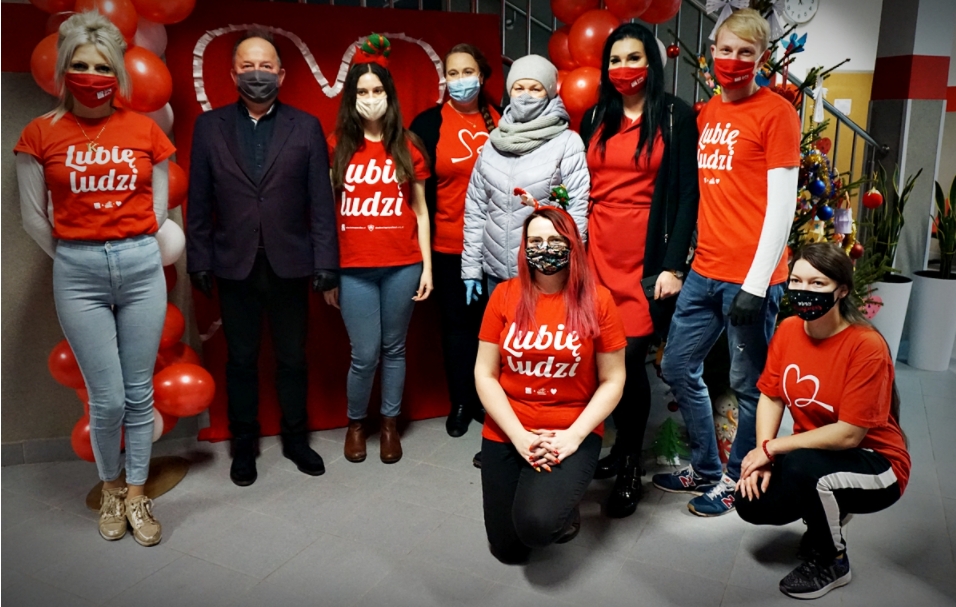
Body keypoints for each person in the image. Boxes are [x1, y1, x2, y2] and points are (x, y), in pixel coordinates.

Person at [14, 11, 174, 546]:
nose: (92, 75)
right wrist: (79, 253)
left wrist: (126, 245)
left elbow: (157, 210)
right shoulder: (40, 133)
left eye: (103, 66)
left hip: (141, 268)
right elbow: (34, 218)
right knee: (106, 399)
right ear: (64, 68)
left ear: (118, 73)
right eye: (81, 64)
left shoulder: (144, 129)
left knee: (139, 392)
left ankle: (137, 493)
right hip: (78, 273)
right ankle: (110, 487)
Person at [651, 9, 801, 517]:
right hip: (705, 270)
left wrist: (756, 285)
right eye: (726, 49)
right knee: (677, 365)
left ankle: (737, 478)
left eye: (746, 52)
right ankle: (706, 469)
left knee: (749, 384)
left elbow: (783, 206)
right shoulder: (709, 112)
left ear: (761, 58)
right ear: (712, 51)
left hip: (751, 278)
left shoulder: (776, 113)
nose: (733, 60)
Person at [186, 29, 338, 486]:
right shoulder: (209, 127)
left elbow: (320, 202)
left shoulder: (305, 126)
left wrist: (327, 263)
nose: (258, 74)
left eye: (266, 66)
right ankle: (244, 446)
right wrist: (198, 259)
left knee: (292, 358)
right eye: (248, 66)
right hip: (233, 265)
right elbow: (199, 200)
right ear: (233, 73)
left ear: (281, 74)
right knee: (241, 360)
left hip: (291, 264)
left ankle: (296, 439)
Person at [735, 243, 911, 600]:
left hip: (878, 465)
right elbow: (771, 394)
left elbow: (849, 435)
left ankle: (833, 560)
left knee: (802, 467)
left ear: (842, 290)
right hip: (818, 454)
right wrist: (764, 453)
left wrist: (773, 448)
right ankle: (825, 513)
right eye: (796, 280)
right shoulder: (788, 329)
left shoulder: (865, 345)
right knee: (751, 501)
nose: (804, 290)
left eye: (817, 283)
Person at [578, 23, 699, 518]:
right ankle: (614, 449)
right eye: (615, 59)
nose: (623, 68)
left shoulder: (674, 115)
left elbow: (688, 194)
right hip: (595, 251)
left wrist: (673, 265)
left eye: (633, 58)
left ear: (651, 62)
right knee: (598, 357)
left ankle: (629, 462)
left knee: (627, 358)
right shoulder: (594, 116)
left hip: (645, 257)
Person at [475, 206, 626, 564]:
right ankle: (543, 489)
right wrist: (519, 437)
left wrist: (573, 436)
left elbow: (613, 379)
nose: (545, 248)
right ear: (524, 246)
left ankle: (564, 505)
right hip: (509, 426)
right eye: (535, 241)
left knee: (538, 527)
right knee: (509, 550)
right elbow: (485, 373)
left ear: (573, 246)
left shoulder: (599, 300)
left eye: (556, 241)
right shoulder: (504, 295)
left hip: (569, 429)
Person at [463, 53, 589, 467]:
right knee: (504, 361)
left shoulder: (567, 142)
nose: (526, 95)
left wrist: (570, 266)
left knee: (543, 361)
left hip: (546, 273)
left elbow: (578, 210)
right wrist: (470, 267)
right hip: (498, 273)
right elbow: (476, 209)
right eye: (519, 87)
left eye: (536, 88)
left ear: (551, 92)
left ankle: (549, 438)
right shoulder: (491, 143)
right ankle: (504, 439)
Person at [325, 36, 433, 465]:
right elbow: (325, 213)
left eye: (377, 90)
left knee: (394, 348)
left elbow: (421, 211)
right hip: (354, 268)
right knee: (364, 353)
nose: (370, 98)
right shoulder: (336, 145)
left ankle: (389, 424)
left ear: (389, 94)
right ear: (351, 98)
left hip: (403, 265)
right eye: (362, 91)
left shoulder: (409, 146)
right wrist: (328, 272)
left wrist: (426, 267)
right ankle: (356, 423)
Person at [409, 44, 500, 438]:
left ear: (482, 75)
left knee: (494, 329)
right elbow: (416, 194)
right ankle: (462, 401)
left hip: (498, 249)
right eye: (453, 72)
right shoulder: (428, 124)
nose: (460, 79)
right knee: (458, 328)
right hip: (449, 248)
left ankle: (488, 400)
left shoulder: (504, 119)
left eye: (467, 71)